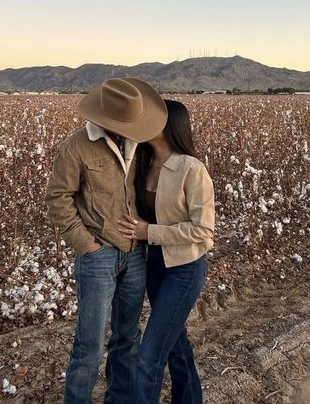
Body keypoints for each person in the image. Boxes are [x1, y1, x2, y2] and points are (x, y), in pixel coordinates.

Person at [45, 78, 168, 404]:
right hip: (97, 255)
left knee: (127, 339)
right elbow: (57, 199)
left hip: (135, 253)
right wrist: (85, 244)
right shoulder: (76, 147)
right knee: (90, 345)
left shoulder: (140, 144)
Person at [118, 99, 215, 404]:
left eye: (153, 120)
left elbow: (203, 231)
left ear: (169, 126)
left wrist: (150, 232)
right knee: (174, 345)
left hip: (184, 268)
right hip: (155, 265)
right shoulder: (142, 163)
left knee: (149, 355)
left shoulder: (191, 169)